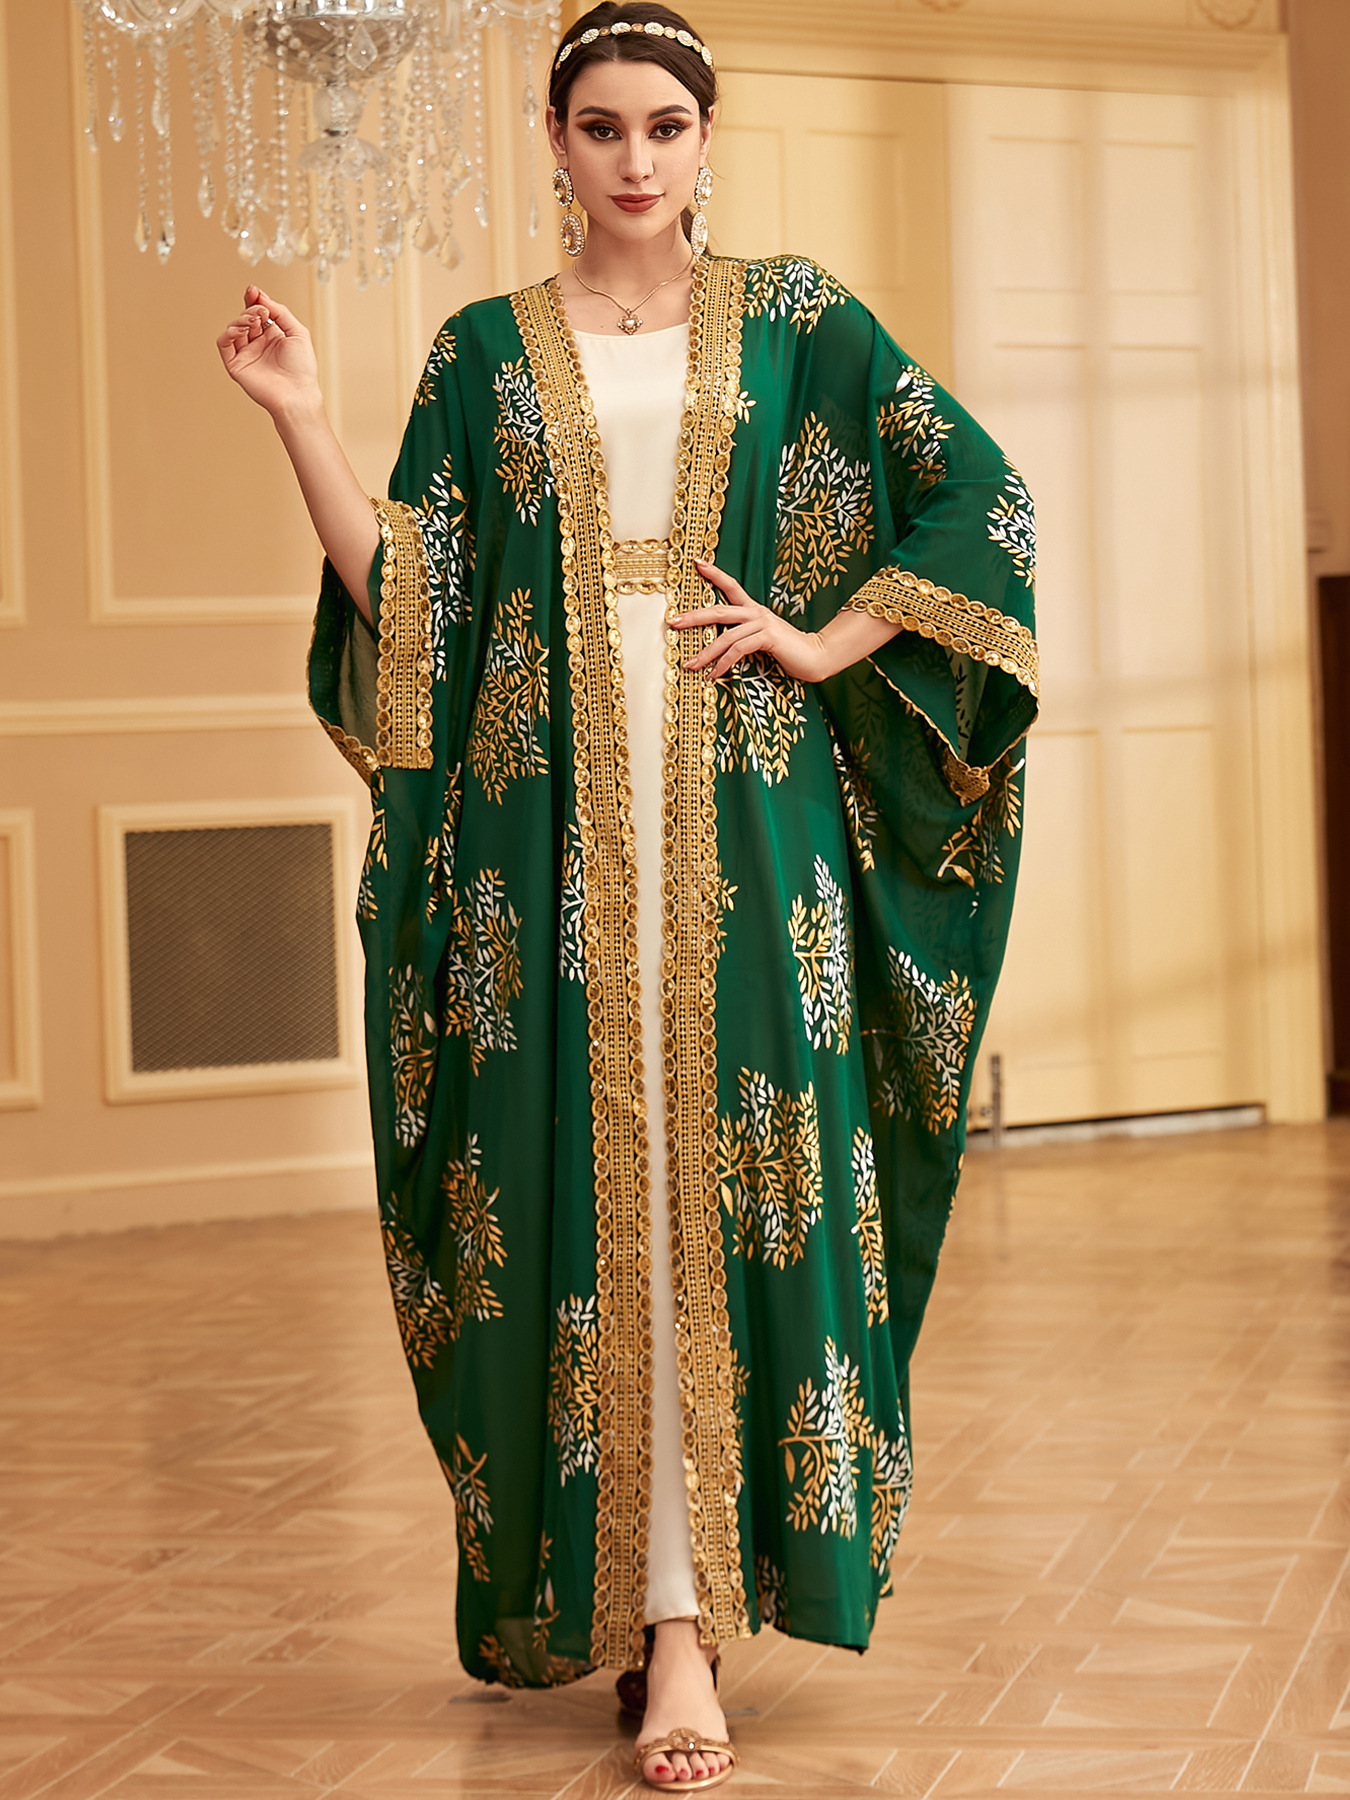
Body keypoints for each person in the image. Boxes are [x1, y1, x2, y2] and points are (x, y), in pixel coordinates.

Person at [217, 3, 1038, 1787]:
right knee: (582, 1184)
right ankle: (642, 1610)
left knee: (736, 1173)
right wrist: (301, 420)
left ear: (706, 137)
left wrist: (820, 642)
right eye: (601, 127)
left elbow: (980, 500)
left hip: (747, 817)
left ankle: (690, 1626)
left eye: (665, 125)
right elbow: (415, 612)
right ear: (555, 140)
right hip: (543, 835)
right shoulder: (482, 353)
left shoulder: (798, 320)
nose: (636, 159)